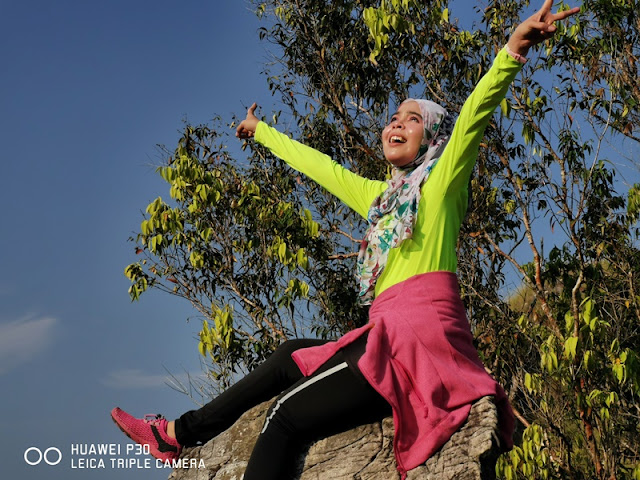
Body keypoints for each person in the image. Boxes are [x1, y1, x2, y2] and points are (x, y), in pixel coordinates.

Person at [111, 2, 579, 478]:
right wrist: (262, 132)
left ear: (433, 136)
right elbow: (323, 168)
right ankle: (176, 434)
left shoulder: (442, 182)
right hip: (386, 331)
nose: (396, 123)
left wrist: (514, 50)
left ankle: (181, 435)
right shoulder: (382, 200)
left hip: (415, 341)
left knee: (283, 417)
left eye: (413, 119)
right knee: (288, 356)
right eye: (395, 116)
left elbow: (474, 115)